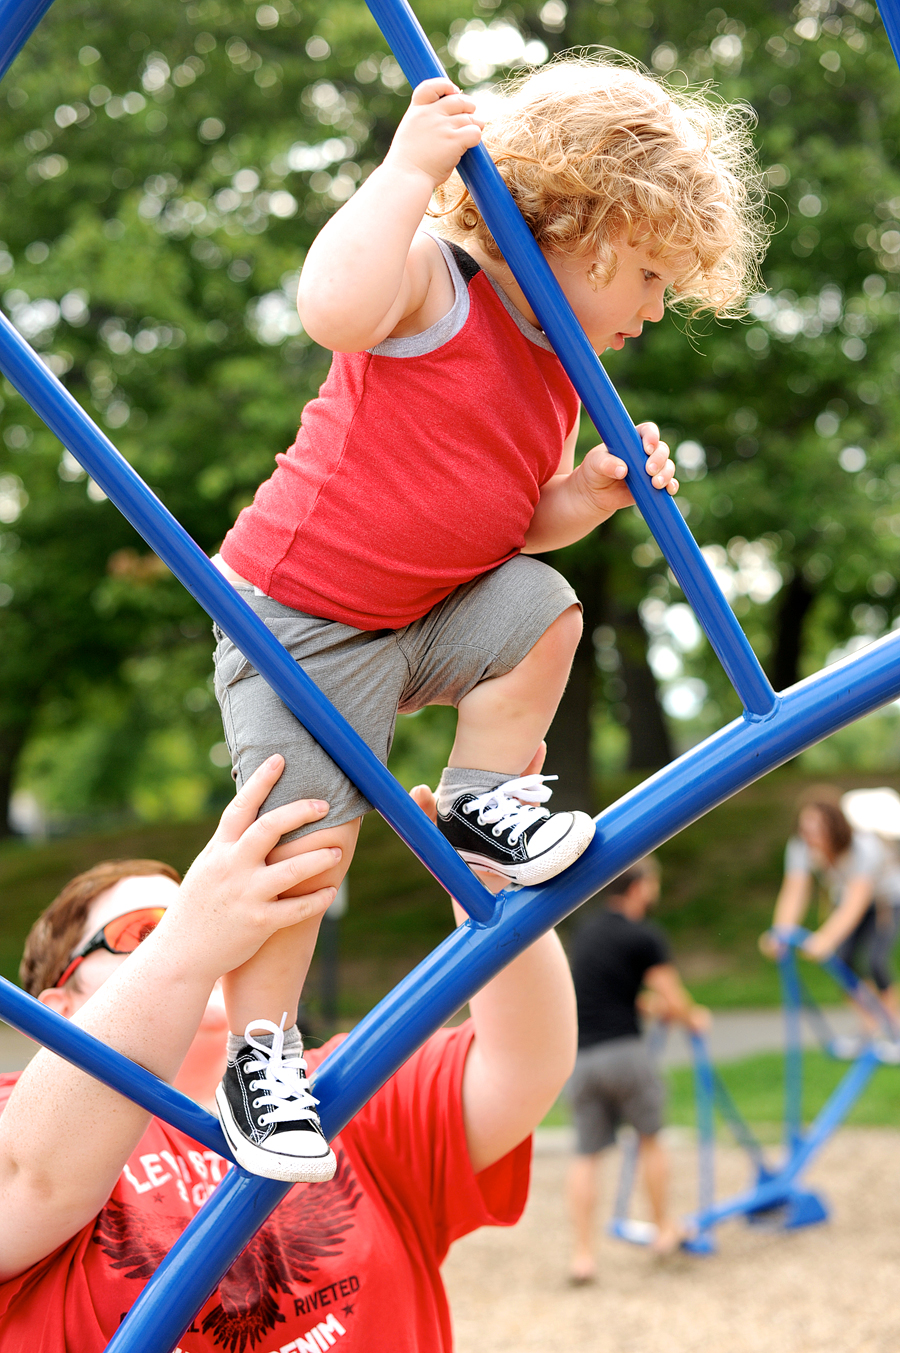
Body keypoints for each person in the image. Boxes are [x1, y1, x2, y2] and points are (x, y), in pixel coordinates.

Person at [209, 55, 768, 1180]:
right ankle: (259, 1054)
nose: (658, 310)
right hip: (304, 620)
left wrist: (594, 492)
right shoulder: (434, 281)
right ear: (587, 226)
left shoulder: (561, 371)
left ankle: (481, 802)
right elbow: (331, 303)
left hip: (423, 613)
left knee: (544, 608)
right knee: (305, 847)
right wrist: (406, 169)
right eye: (653, 275)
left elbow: (515, 519)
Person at [0, 754, 577, 1351]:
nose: (214, 929)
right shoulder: (18, 1118)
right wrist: (189, 940)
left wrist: (484, 891)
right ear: (59, 1010)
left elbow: (524, 1067)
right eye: (144, 934)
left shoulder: (337, 1085)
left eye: (205, 908)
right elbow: (28, 1184)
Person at [564, 857, 709, 1282]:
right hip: (625, 1053)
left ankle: (583, 1255)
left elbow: (604, 990)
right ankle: (663, 1228)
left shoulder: (587, 932)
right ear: (640, 887)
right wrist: (691, 1016)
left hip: (583, 1057)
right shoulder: (644, 936)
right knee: (650, 1139)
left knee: (586, 1156)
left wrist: (648, 1007)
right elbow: (673, 995)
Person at [765, 791, 900, 1038]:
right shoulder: (801, 846)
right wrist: (780, 932)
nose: (811, 836)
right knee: (842, 961)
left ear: (835, 827)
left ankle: (894, 1024)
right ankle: (870, 1023)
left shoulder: (862, 846)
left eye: (818, 828)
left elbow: (857, 900)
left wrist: (825, 938)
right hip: (847, 896)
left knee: (875, 960)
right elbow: (795, 890)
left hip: (885, 901)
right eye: (806, 829)